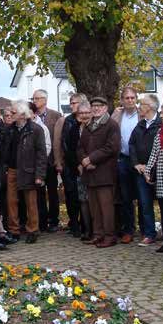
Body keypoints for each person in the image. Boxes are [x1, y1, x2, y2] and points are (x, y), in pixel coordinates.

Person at [79, 96, 121, 248]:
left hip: (105, 173)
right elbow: (80, 146)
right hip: (90, 173)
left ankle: (110, 236)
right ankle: (98, 234)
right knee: (94, 207)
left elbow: (112, 147)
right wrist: (84, 160)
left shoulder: (111, 125)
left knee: (106, 207)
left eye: (99, 106)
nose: (96, 108)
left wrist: (91, 159)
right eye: (93, 106)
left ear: (105, 108)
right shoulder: (88, 125)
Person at [2, 100, 46, 244]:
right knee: (11, 201)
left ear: (22, 114)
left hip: (29, 170)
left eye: (13, 112)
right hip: (13, 169)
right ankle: (13, 230)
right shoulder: (10, 129)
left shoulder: (36, 130)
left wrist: (39, 175)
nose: (10, 115)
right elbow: (5, 150)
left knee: (31, 202)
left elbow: (41, 153)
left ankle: (33, 230)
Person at [111, 86, 144, 243]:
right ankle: (128, 229)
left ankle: (146, 230)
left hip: (140, 161)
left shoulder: (142, 114)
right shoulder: (117, 115)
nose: (130, 100)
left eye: (132, 98)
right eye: (127, 98)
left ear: (136, 99)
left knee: (143, 196)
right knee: (125, 197)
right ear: (122, 100)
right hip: (123, 159)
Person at [129, 94, 162, 246]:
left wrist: (150, 168)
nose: (139, 106)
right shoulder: (140, 124)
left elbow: (160, 149)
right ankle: (149, 233)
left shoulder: (161, 124)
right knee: (145, 203)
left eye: (141, 104)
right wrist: (136, 164)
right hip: (140, 171)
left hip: (157, 171)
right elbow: (132, 145)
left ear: (149, 107)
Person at [53, 93, 87, 237]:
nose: (72, 105)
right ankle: (74, 224)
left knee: (84, 196)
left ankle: (86, 224)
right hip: (69, 164)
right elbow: (59, 143)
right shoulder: (65, 121)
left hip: (85, 164)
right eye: (71, 103)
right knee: (70, 194)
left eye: (75, 103)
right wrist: (59, 161)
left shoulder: (88, 120)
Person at [31, 89, 62, 233]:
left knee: (52, 191)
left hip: (51, 161)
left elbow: (58, 139)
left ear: (45, 100)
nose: (35, 101)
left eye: (37, 98)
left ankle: (54, 220)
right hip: (37, 163)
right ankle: (42, 221)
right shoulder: (31, 116)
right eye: (34, 98)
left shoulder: (55, 116)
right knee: (39, 192)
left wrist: (58, 160)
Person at [144, 104, 163, 253]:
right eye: (161, 113)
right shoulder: (159, 133)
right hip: (162, 176)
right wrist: (148, 170)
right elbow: (154, 154)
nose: (161, 116)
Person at [74, 100, 93, 240]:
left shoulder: (96, 127)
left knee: (94, 201)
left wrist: (89, 161)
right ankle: (87, 230)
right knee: (83, 201)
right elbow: (70, 148)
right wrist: (79, 163)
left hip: (94, 167)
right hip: (80, 169)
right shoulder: (74, 129)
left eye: (87, 112)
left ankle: (96, 230)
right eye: (82, 113)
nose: (84, 115)